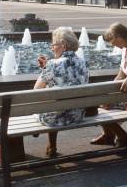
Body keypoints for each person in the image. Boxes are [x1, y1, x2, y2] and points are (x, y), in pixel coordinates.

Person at [35, 27, 89, 158]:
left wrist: (45, 69)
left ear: (63, 46)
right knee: (56, 96)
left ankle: (49, 144)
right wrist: (47, 69)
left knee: (51, 101)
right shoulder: (83, 63)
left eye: (53, 45)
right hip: (76, 115)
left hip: (53, 119)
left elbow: (36, 91)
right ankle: (51, 146)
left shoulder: (52, 64)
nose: (52, 48)